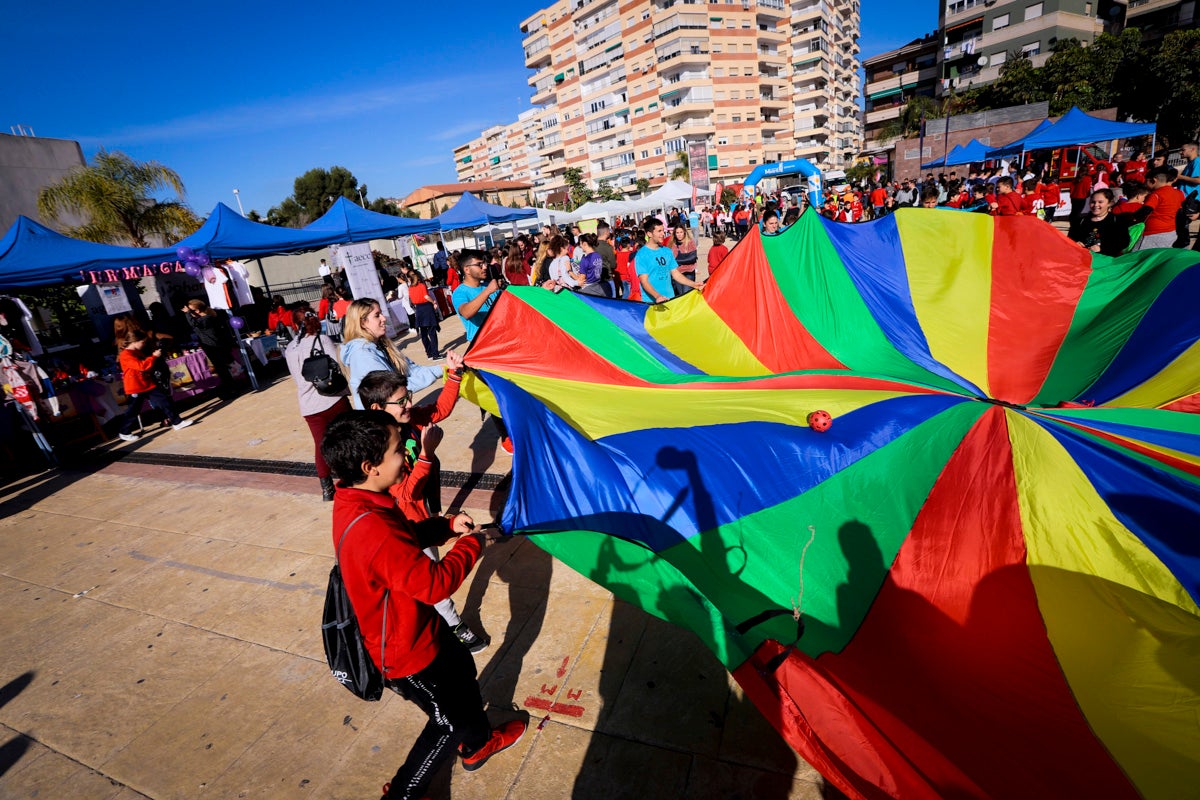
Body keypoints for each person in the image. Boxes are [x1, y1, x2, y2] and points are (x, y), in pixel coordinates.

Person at [322, 411, 525, 800]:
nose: (408, 455)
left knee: (464, 674)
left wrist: (445, 528)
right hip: (407, 653)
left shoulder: (360, 499)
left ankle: (478, 744)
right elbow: (434, 585)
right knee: (448, 723)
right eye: (400, 450)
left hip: (422, 630)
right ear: (370, 466)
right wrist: (473, 542)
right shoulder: (371, 526)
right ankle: (403, 793)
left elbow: (404, 540)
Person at [357, 366, 487, 655]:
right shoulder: (381, 448)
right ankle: (454, 625)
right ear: (377, 408)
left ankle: (432, 617)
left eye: (409, 397)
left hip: (425, 516)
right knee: (432, 579)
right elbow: (404, 495)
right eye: (401, 401)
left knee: (422, 580)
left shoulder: (410, 420)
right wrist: (426, 454)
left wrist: (453, 375)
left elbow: (440, 409)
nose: (409, 404)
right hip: (409, 526)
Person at [284, 310, 351, 500]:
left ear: (295, 325)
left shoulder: (290, 349)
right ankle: (352, 476)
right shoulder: (323, 340)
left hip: (309, 406)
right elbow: (336, 368)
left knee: (320, 445)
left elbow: (298, 378)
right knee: (347, 436)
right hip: (333, 398)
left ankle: (327, 488)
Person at [340, 298, 443, 408]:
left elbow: (411, 369)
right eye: (377, 315)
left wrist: (443, 368)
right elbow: (393, 388)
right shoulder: (362, 355)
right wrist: (439, 371)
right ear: (363, 322)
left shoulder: (383, 345)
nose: (383, 318)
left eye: (381, 314)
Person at [116, 328, 193, 441]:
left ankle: (177, 422)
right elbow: (141, 366)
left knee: (164, 400)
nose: (143, 344)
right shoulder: (125, 355)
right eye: (142, 342)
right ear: (134, 341)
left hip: (146, 383)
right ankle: (124, 431)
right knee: (133, 410)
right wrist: (154, 357)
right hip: (135, 386)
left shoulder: (134, 352)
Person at [636, 218, 703, 304]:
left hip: (670, 299)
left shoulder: (667, 251)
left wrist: (693, 284)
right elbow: (644, 281)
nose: (663, 234)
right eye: (659, 231)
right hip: (652, 302)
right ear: (649, 234)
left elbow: (675, 273)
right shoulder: (641, 255)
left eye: (663, 230)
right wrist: (657, 296)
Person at [182, 299, 239, 399]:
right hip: (212, 346)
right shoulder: (208, 317)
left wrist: (187, 314)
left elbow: (194, 324)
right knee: (221, 369)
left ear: (198, 310)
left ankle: (232, 389)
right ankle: (231, 388)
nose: (191, 314)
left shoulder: (206, 319)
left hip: (214, 347)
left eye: (192, 311)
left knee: (222, 369)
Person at [451, 249, 503, 343]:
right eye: (479, 265)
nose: (485, 267)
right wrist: (488, 291)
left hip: (500, 339)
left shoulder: (488, 286)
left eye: (485, 263)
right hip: (481, 346)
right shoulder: (460, 293)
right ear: (467, 269)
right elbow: (466, 312)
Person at [1132, 166, 1186, 250]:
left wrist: (1133, 216)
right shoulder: (1179, 193)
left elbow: (1146, 210)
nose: (1145, 183)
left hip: (1153, 233)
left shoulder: (1156, 195)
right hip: (1172, 232)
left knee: (1138, 258)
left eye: (1146, 181)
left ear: (1154, 180)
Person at [1069, 189, 1132, 257]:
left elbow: (1124, 242)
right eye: (1093, 202)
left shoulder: (1117, 221)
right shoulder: (1080, 221)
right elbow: (1069, 239)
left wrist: (1102, 248)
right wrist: (1075, 244)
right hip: (1082, 259)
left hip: (1107, 261)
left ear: (1109, 203)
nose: (1096, 205)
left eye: (1100, 202)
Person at [406, 274, 440, 360]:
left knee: (423, 333)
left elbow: (412, 300)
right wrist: (433, 302)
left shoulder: (410, 288)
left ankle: (429, 353)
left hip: (418, 309)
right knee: (432, 332)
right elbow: (426, 296)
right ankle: (435, 354)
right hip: (427, 307)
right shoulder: (421, 285)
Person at [1173, 141, 1199, 248]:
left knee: (1182, 227)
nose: (1180, 152)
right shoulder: (1190, 163)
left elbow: (1198, 180)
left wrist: (1179, 176)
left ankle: (1183, 250)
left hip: (1191, 200)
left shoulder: (1197, 162)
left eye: (1183, 150)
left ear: (1192, 149)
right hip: (1184, 199)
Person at [669, 224, 698, 295]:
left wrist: (677, 260)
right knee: (680, 294)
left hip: (689, 271)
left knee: (686, 293)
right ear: (674, 234)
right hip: (677, 273)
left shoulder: (690, 242)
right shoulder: (672, 244)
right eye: (677, 233)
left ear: (684, 232)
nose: (679, 235)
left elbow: (692, 258)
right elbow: (670, 259)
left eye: (681, 232)